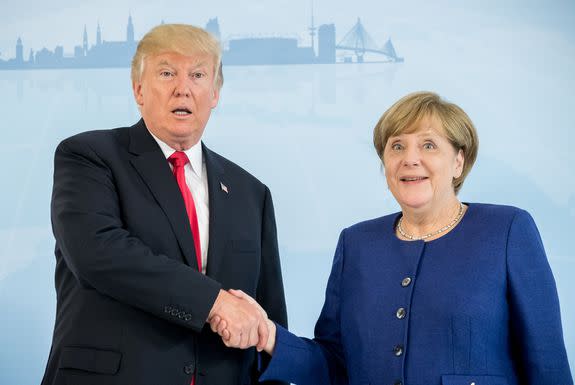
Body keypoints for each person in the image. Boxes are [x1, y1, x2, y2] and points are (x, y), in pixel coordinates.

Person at [211, 91, 573, 385]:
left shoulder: (507, 230)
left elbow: (547, 362)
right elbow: (334, 364)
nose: (409, 159)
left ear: (459, 162)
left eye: (429, 146)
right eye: (397, 146)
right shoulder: (356, 244)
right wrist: (269, 335)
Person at [41, 24, 287, 385]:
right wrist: (215, 302)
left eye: (198, 75)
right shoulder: (89, 157)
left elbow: (267, 321)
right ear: (139, 89)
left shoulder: (251, 192)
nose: (183, 88)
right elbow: (98, 253)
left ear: (215, 92)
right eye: (167, 72)